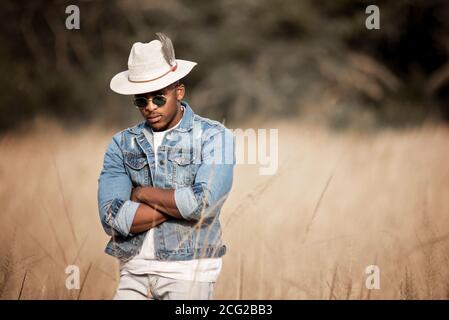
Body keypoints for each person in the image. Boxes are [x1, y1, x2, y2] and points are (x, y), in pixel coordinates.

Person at [97, 33, 235, 300]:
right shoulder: (121, 144)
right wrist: (178, 204)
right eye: (141, 100)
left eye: (158, 98)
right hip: (132, 271)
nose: (150, 107)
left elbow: (203, 205)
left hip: (189, 271)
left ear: (178, 91)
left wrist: (141, 194)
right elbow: (111, 219)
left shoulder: (214, 137)